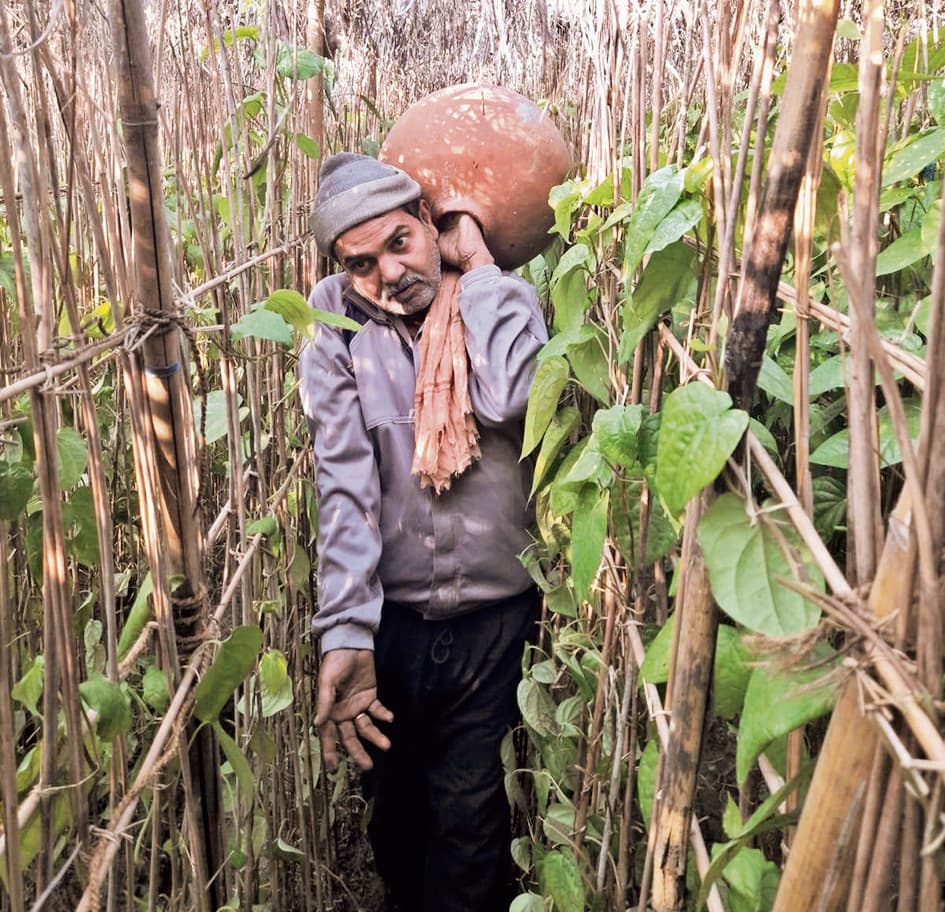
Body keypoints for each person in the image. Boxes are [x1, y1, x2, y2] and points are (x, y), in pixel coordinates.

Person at [299, 152, 548, 912]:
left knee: (473, 821)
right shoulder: (337, 331)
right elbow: (342, 486)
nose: (388, 274)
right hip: (395, 628)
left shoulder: (495, 300)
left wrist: (474, 268)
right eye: (361, 263)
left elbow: (515, 400)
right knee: (397, 817)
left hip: (493, 622)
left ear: (429, 225)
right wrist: (345, 630)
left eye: (400, 242)